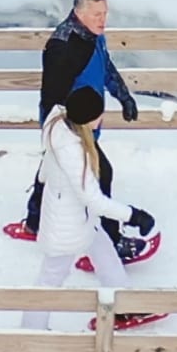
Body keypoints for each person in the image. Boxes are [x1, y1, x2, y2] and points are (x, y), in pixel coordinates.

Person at [19, 0, 152, 255]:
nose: (103, 20)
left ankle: (34, 222)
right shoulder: (62, 46)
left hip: (88, 120)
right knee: (102, 174)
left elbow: (105, 66)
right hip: (72, 125)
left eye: (105, 13)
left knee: (51, 167)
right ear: (79, 13)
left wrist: (123, 96)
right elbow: (53, 97)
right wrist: (68, 132)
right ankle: (110, 242)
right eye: (96, 14)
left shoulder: (94, 36)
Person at [18, 87, 163, 332]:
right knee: (50, 279)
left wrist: (43, 183)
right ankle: (32, 333)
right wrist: (133, 215)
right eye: (98, 114)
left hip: (81, 219)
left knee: (106, 255)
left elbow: (45, 167)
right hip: (67, 224)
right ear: (86, 118)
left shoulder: (58, 123)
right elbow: (94, 199)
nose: (101, 118)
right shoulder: (73, 152)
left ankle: (123, 305)